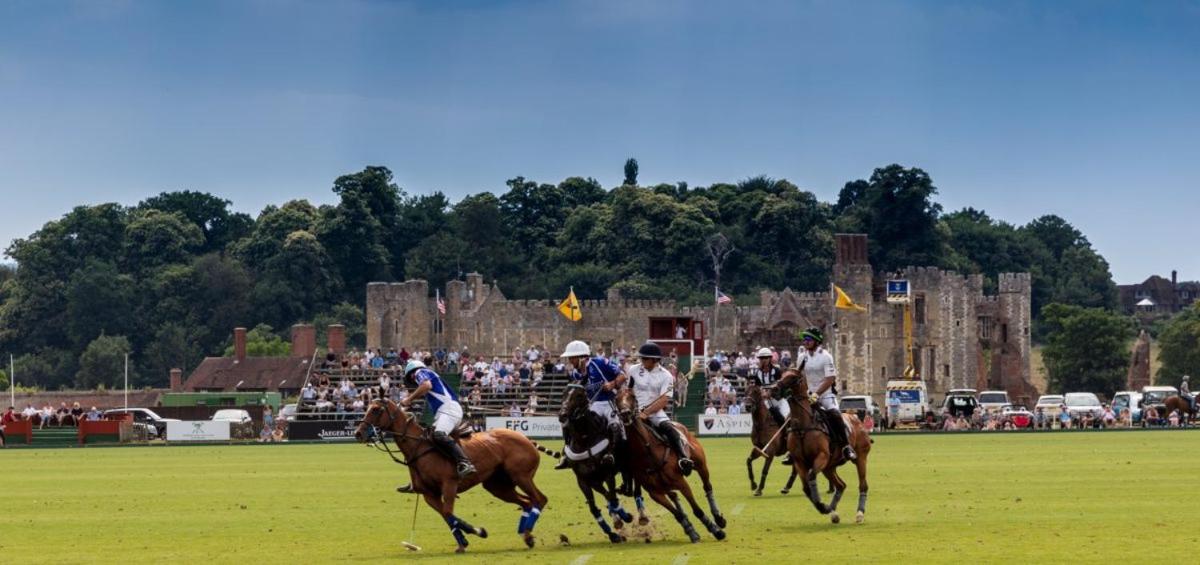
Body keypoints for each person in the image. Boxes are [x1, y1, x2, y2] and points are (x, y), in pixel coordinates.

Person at [395, 360, 475, 493]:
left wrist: (409, 399)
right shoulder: (427, 375)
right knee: (425, 442)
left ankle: (465, 462)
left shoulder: (420, 372)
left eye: (411, 378)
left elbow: (426, 385)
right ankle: (419, 480)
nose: (414, 380)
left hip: (449, 409)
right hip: (443, 411)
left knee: (439, 435)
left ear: (412, 373)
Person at [556, 339, 627, 472]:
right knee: (568, 423)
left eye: (572, 358)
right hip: (590, 404)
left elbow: (623, 375)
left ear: (582, 357)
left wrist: (612, 384)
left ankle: (612, 455)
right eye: (569, 358)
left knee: (615, 426)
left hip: (608, 401)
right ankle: (566, 454)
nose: (570, 361)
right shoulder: (575, 373)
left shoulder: (600, 362)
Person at [629, 341, 693, 475]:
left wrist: (646, 412)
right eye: (641, 358)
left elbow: (664, 400)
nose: (642, 361)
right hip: (633, 411)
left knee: (670, 429)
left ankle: (683, 458)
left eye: (645, 358)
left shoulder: (666, 376)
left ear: (654, 360)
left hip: (655, 413)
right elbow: (629, 390)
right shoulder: (633, 370)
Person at [797, 327, 855, 460]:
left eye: (808, 339)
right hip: (808, 395)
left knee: (835, 415)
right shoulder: (802, 357)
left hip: (826, 395)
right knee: (793, 416)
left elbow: (830, 379)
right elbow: (799, 376)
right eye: (804, 339)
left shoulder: (826, 356)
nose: (805, 342)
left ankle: (846, 446)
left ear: (817, 341)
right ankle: (792, 449)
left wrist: (816, 394)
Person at [751, 347, 790, 427]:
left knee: (787, 418)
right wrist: (762, 392)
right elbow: (758, 386)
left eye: (766, 358)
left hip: (779, 400)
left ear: (770, 359)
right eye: (761, 358)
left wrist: (771, 392)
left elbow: (781, 386)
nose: (763, 360)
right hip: (766, 402)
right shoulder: (758, 373)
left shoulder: (777, 371)